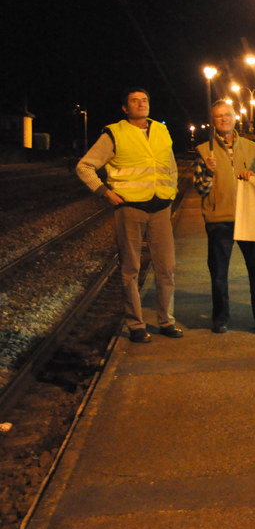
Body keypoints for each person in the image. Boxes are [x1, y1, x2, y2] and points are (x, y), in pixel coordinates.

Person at [76, 88, 180, 343]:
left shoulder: (161, 130)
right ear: (125, 108)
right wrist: (106, 193)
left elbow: (170, 164)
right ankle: (136, 325)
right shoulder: (114, 133)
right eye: (135, 101)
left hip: (160, 208)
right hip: (130, 208)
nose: (141, 103)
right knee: (130, 268)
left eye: (144, 99)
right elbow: (85, 166)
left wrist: (173, 189)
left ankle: (166, 321)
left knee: (166, 267)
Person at [194, 101, 255, 335]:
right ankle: (220, 318)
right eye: (218, 116)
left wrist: (252, 176)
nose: (224, 119)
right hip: (218, 219)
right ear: (213, 121)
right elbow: (200, 189)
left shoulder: (251, 148)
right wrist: (209, 173)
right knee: (219, 273)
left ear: (235, 118)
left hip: (248, 218)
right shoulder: (204, 150)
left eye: (227, 115)